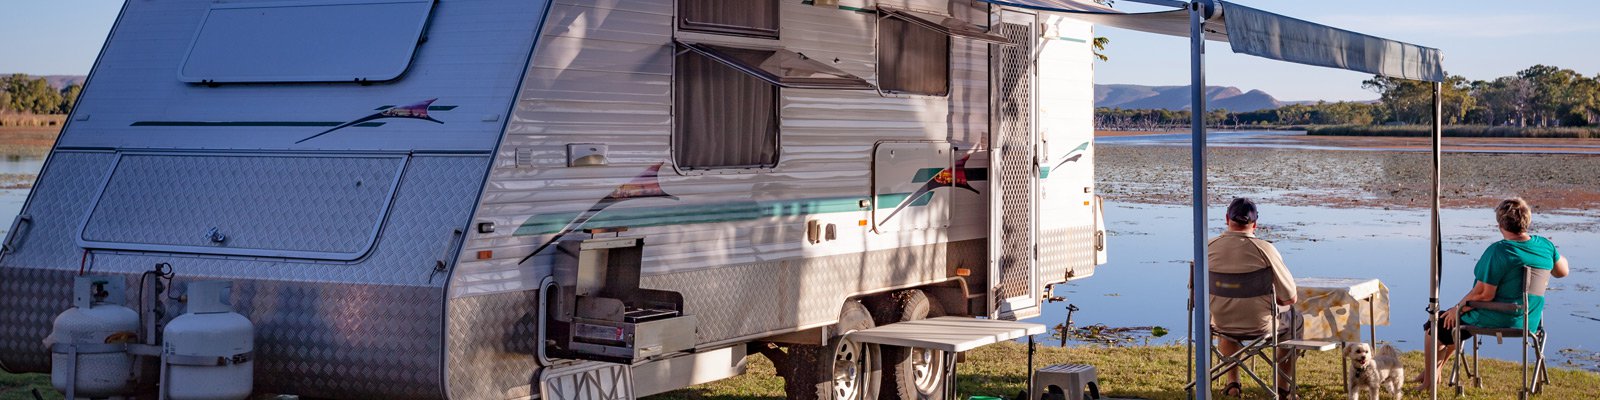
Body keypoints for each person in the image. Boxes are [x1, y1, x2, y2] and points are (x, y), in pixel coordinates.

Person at [1418, 197, 1571, 387]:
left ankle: (1428, 382)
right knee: (1452, 321)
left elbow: (1484, 295)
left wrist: (1456, 308)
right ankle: (1434, 371)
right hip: (1529, 320)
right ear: (1527, 221)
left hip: (1497, 317)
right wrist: (1550, 253)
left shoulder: (1499, 251)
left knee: (1436, 325)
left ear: (1500, 225)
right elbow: (1562, 272)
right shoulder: (1545, 246)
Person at [1208, 197, 1302, 399]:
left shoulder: (1206, 248)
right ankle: (1283, 388)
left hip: (1220, 323)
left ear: (1227, 219)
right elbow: (1289, 298)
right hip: (1261, 326)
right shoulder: (1265, 249)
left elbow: (1196, 295)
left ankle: (1232, 383)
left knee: (1227, 318)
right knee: (1296, 320)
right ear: (1255, 224)